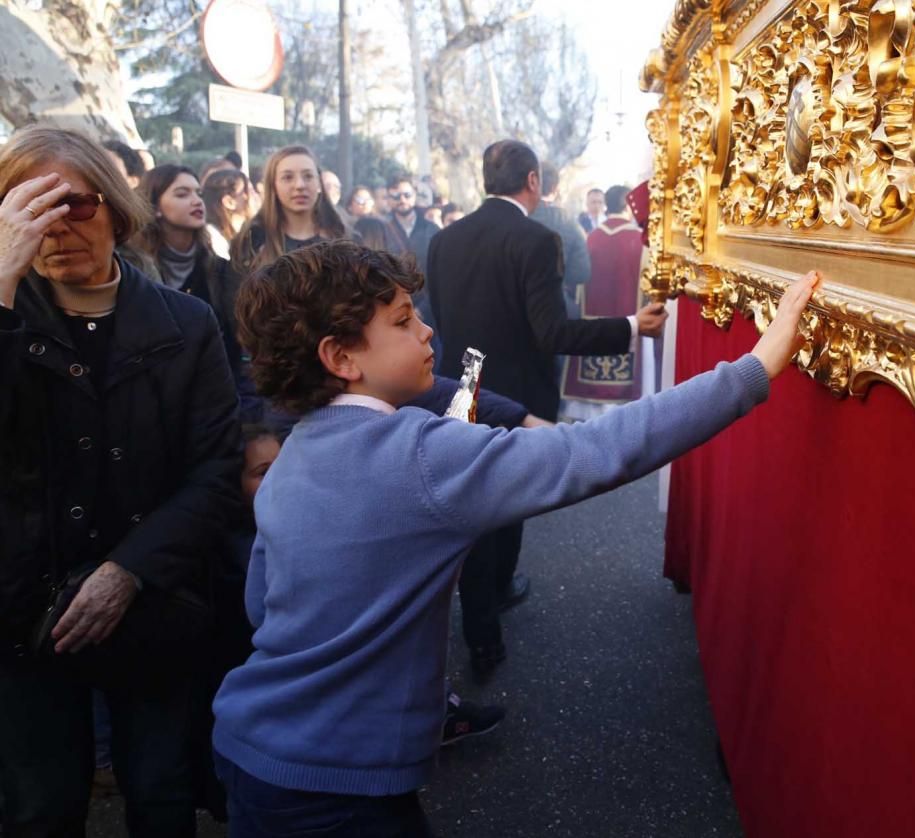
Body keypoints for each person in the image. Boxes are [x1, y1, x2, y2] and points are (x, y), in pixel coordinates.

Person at [211, 238, 820, 836]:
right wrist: (754, 368)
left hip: (252, 747)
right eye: (402, 321)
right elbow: (596, 450)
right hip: (336, 785)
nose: (426, 331)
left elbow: (263, 605)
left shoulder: (289, 461)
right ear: (342, 358)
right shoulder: (421, 454)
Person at [0, 126, 242, 837]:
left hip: (153, 603)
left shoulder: (186, 322)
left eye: (71, 204)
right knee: (39, 807)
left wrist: (128, 571)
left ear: (113, 207)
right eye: (25, 206)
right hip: (21, 609)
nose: (53, 226)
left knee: (161, 794)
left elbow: (216, 468)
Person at [426, 141, 669, 677]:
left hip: (464, 385)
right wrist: (632, 326)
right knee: (504, 501)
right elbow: (551, 331)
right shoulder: (537, 239)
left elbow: (444, 324)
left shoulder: (444, 240)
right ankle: (485, 626)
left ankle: (493, 597)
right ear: (532, 181)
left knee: (477, 499)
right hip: (516, 393)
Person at [128, 165, 248, 408]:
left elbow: (239, 344)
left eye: (199, 194)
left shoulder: (222, 271)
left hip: (215, 398)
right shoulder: (133, 270)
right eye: (182, 194)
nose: (196, 201)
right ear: (155, 206)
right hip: (153, 401)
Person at [561, 184, 647, 419]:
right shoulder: (640, 240)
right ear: (628, 206)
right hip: (628, 324)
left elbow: (578, 284)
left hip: (594, 327)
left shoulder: (592, 238)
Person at [229, 145, 347, 278]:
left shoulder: (343, 236)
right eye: (288, 177)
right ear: (273, 185)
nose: (299, 185)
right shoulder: (252, 240)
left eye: (308, 176)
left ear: (319, 183)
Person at [531, 163, 590, 318]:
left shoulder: (517, 216)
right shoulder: (569, 222)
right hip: (558, 303)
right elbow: (581, 272)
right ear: (555, 188)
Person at [381, 174, 437, 272]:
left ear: (415, 195)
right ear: (389, 199)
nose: (402, 200)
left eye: (407, 195)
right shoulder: (381, 228)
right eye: (396, 196)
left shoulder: (431, 228)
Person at [202, 168, 253, 260]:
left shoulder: (249, 234)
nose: (256, 196)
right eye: (250, 191)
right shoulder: (213, 238)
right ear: (229, 202)